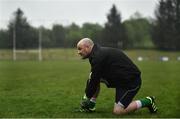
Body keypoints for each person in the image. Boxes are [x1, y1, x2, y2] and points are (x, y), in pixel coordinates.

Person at [76, 38, 157, 115]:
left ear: (87, 47)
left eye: (80, 49)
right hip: (121, 81)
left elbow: (94, 80)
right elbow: (94, 77)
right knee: (94, 77)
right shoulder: (96, 53)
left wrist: (87, 97)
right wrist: (88, 96)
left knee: (118, 111)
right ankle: (91, 105)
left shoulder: (98, 56)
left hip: (131, 82)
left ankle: (148, 101)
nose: (78, 52)